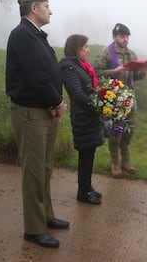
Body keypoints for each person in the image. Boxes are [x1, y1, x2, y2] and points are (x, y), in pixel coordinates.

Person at [6, 0, 69, 248]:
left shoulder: (36, 36)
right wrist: (55, 102)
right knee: (33, 171)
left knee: (44, 167)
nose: (50, 10)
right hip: (31, 112)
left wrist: (54, 104)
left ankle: (45, 215)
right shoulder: (22, 35)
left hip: (44, 110)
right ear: (34, 8)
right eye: (47, 6)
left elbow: (46, 71)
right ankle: (33, 229)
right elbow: (36, 75)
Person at [94, 23, 147, 178]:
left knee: (129, 128)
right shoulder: (106, 53)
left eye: (127, 37)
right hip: (113, 97)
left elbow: (134, 76)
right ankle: (114, 162)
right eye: (122, 36)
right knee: (116, 130)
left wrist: (142, 73)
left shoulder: (132, 55)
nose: (125, 40)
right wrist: (113, 71)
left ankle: (126, 160)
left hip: (130, 96)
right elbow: (95, 73)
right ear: (114, 37)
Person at [60, 34, 105, 205]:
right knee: (85, 154)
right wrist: (98, 104)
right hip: (83, 117)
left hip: (90, 116)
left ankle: (87, 186)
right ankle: (83, 192)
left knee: (89, 152)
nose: (88, 49)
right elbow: (77, 95)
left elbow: (88, 88)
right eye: (85, 47)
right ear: (76, 48)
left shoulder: (81, 66)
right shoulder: (69, 68)